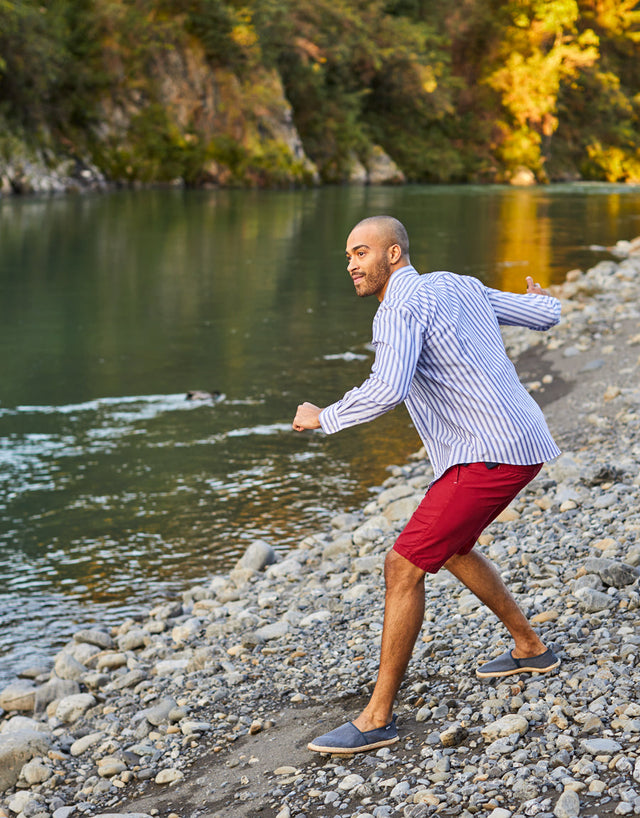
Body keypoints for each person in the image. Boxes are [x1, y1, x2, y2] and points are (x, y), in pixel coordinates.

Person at [292, 215, 562, 755]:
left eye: (362, 252)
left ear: (393, 254)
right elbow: (542, 313)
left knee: (403, 564)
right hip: (515, 442)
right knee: (454, 548)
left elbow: (387, 388)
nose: (351, 264)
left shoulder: (398, 308)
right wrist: (544, 299)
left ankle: (375, 719)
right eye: (348, 255)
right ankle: (530, 647)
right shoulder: (458, 284)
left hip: (488, 454)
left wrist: (324, 417)